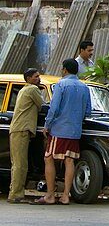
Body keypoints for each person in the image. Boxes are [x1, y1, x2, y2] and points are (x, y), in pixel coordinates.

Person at [40, 58, 92, 204]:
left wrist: (47, 125)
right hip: (75, 130)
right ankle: (65, 195)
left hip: (59, 129)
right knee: (70, 160)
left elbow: (54, 108)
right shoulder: (84, 87)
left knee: (48, 157)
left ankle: (50, 195)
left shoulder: (61, 85)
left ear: (64, 70)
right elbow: (87, 111)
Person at [7, 68, 44, 204]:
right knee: (20, 164)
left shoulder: (24, 89)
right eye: (36, 77)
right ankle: (16, 194)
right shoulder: (32, 90)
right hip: (22, 129)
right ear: (28, 78)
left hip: (17, 129)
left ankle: (14, 192)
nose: (38, 79)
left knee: (17, 163)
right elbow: (43, 106)